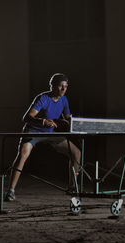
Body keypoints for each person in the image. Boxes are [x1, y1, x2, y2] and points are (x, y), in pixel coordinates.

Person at [5, 73, 81, 201]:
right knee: (23, 154)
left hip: (50, 133)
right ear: (52, 86)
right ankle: (11, 191)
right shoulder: (43, 98)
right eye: (60, 86)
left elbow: (68, 119)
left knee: (76, 153)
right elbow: (27, 118)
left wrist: (73, 123)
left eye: (66, 86)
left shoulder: (64, 100)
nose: (63, 89)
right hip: (33, 132)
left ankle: (72, 188)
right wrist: (42, 121)